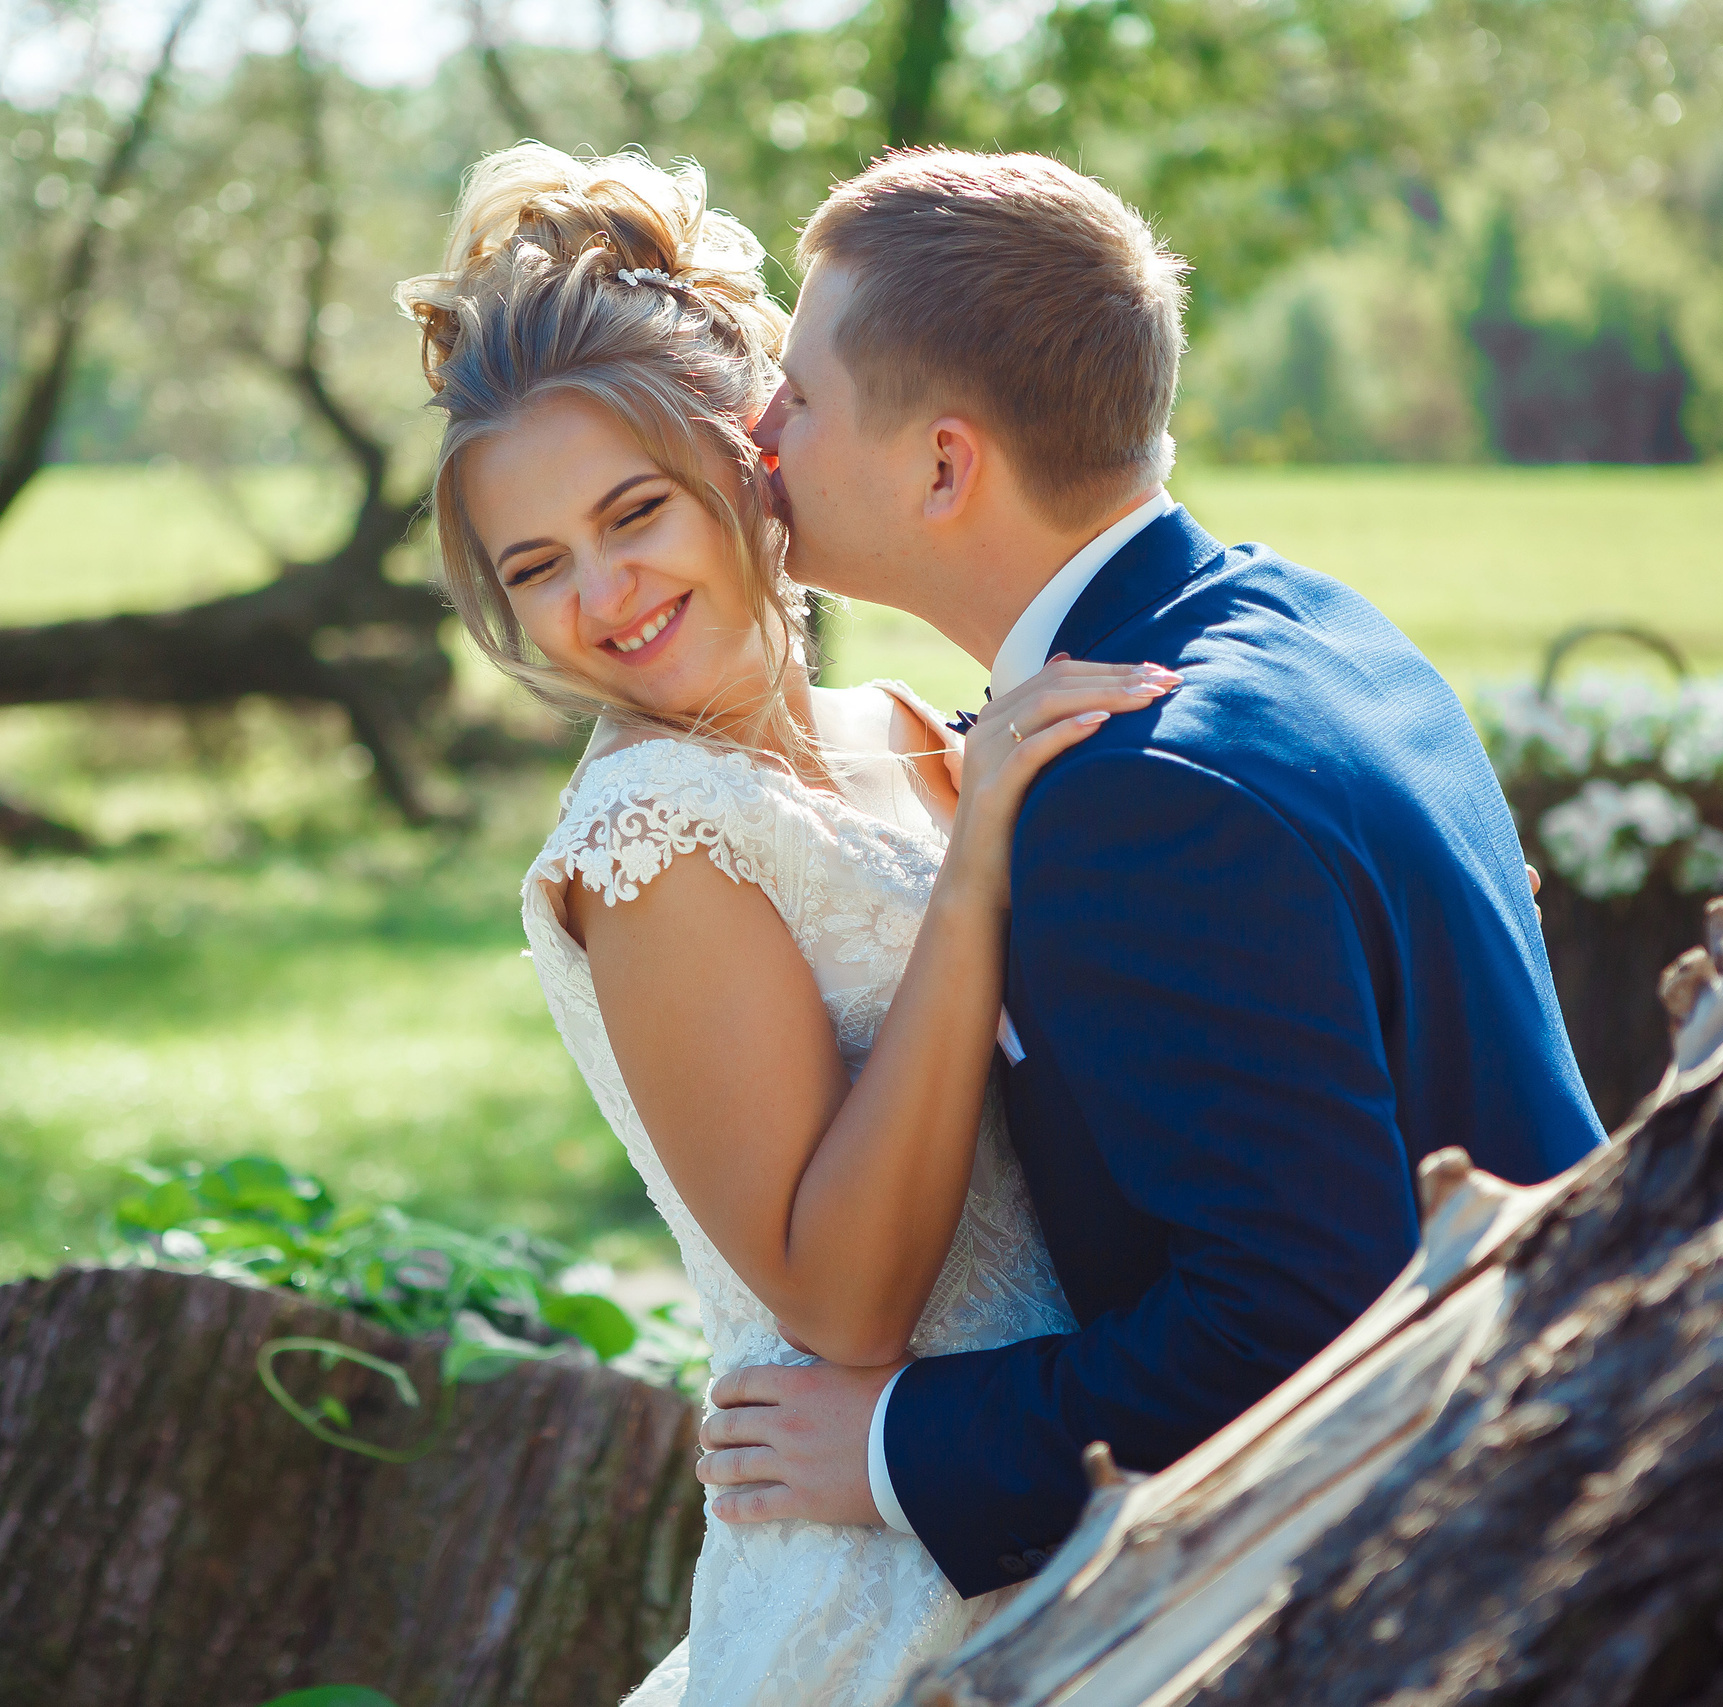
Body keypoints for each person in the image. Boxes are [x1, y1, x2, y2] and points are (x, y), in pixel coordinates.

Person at [699, 148, 1607, 1600]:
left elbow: (1296, 1324)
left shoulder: (1140, 795)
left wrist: (895, 1443)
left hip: (1485, 1558)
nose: (756, 431)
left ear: (944, 465)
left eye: (798, 397)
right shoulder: (1313, 618)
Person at [395, 144, 1173, 1704]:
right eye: (537, 567)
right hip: (892, 1578)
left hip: (1084, 1473)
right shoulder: (652, 836)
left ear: (751, 453)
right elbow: (842, 1303)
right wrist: (975, 877)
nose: (604, 593)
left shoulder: (913, 726)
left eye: (636, 512)